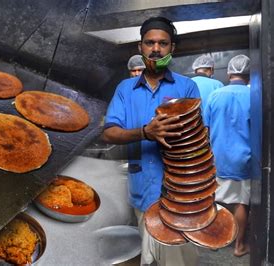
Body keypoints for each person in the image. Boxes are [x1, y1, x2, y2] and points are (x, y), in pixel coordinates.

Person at [103, 16, 200, 266]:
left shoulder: (187, 88)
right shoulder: (125, 89)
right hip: (142, 193)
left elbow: (199, 137)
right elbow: (109, 132)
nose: (156, 49)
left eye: (163, 44)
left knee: (178, 261)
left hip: (179, 196)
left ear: (172, 48)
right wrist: (145, 132)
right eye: (150, 43)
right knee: (145, 260)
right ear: (140, 47)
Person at [203, 54, 251, 257]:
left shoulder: (215, 95)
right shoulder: (254, 95)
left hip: (218, 157)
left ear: (229, 72)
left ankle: (215, 241)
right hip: (244, 158)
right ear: (249, 75)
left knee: (217, 201)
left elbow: (205, 128)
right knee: (241, 202)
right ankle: (239, 246)